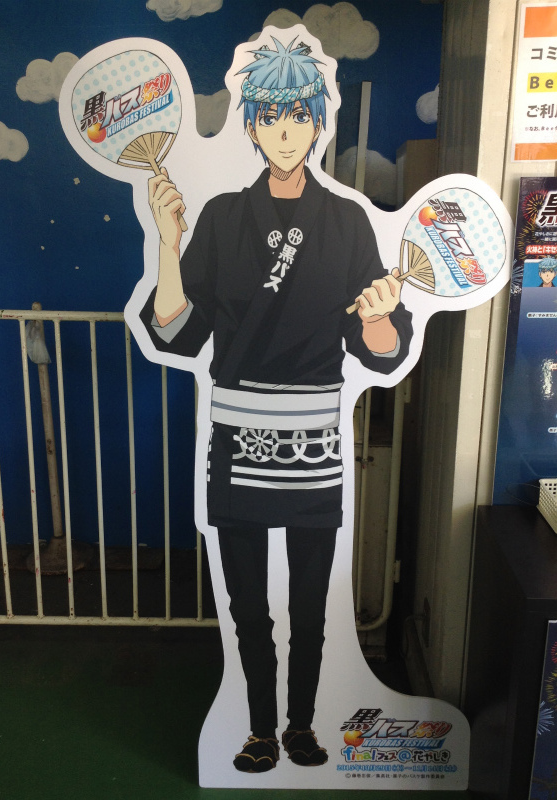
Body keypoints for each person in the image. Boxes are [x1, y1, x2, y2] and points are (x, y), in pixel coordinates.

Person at [140, 38, 413, 773]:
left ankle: (300, 727)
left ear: (318, 122)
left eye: (298, 115)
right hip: (236, 441)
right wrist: (169, 243)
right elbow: (179, 328)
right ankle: (260, 729)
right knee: (248, 607)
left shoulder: (347, 221)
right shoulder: (224, 217)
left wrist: (379, 315)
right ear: (253, 126)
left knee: (311, 607)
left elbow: (378, 347)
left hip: (314, 445)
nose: (285, 131)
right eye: (270, 117)